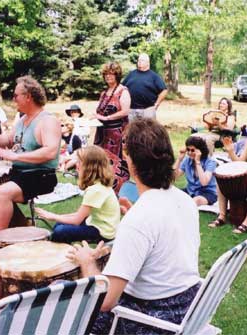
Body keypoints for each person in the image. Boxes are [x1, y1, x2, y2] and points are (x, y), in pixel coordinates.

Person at [67, 118, 201, 334]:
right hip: (188, 307)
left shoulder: (140, 219)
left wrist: (86, 262)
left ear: (130, 160)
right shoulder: (184, 200)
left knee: (71, 311)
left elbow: (105, 301)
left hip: (153, 322)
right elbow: (163, 238)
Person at [0, 76, 60, 248]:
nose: (13, 99)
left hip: (41, 175)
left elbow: (50, 151)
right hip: (18, 173)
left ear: (28, 96)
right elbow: (5, 141)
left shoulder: (48, 120)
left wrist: (15, 156)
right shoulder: (21, 120)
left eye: (15, 95)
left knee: (4, 192)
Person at [35, 146, 120, 243]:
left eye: (80, 162)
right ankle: (63, 250)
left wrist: (51, 216)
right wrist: (58, 217)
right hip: (97, 223)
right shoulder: (98, 184)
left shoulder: (95, 190)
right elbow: (80, 215)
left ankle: (60, 254)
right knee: (59, 225)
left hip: (104, 232)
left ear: (90, 167)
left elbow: (77, 220)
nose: (77, 165)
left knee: (60, 231)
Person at [94, 61, 131, 192]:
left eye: (111, 74)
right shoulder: (104, 93)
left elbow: (125, 111)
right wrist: (95, 115)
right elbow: (100, 110)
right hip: (102, 133)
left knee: (117, 162)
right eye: (106, 74)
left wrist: (107, 118)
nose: (108, 77)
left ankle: (119, 189)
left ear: (117, 75)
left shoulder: (123, 91)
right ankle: (103, 186)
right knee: (101, 159)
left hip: (117, 133)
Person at [122, 53, 168, 121]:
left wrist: (157, 104)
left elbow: (164, 90)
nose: (139, 62)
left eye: (142, 60)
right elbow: (122, 87)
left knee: (148, 131)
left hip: (148, 110)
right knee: (131, 131)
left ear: (148, 63)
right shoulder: (131, 74)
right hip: (131, 110)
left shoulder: (154, 76)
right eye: (138, 60)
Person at [174, 136, 218, 206]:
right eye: (188, 149)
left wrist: (197, 162)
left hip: (207, 193)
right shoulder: (187, 160)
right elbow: (174, 177)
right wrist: (179, 159)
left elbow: (204, 182)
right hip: (190, 191)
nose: (189, 152)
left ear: (200, 150)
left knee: (196, 200)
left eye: (192, 150)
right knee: (172, 194)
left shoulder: (210, 162)